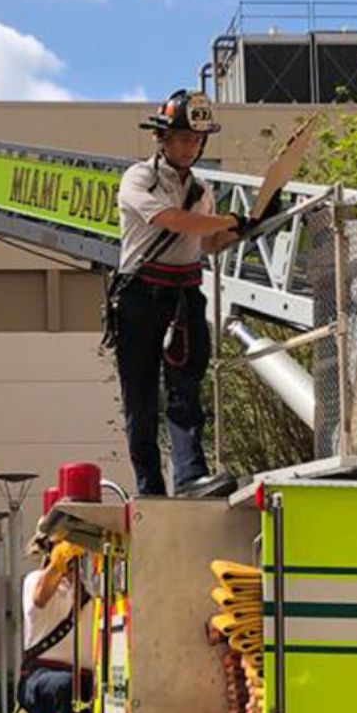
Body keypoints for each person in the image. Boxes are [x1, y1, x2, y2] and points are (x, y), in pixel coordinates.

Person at [113, 89, 253, 496]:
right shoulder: (141, 177)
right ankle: (150, 490)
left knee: (186, 391)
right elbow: (172, 221)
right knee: (141, 399)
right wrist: (226, 219)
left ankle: (191, 477)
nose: (191, 147)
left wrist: (242, 230)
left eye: (197, 140)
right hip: (140, 295)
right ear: (163, 138)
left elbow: (205, 244)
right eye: (184, 138)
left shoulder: (202, 189)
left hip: (183, 295)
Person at [18, 535, 96, 713]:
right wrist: (57, 564)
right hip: (43, 675)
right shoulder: (35, 580)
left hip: (85, 677)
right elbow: (40, 597)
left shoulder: (89, 589)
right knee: (66, 687)